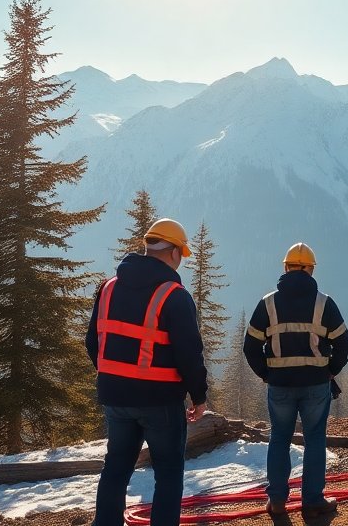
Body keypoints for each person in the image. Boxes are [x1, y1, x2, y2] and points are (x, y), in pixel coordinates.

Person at [87, 218, 209, 526]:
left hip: (115, 399)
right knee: (168, 475)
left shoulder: (108, 288)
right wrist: (199, 397)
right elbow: (189, 355)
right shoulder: (174, 295)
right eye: (181, 253)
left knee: (115, 469)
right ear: (172, 253)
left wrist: (115, 379)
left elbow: (93, 342)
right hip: (161, 402)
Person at [243, 242, 348, 519]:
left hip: (280, 385)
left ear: (286, 268)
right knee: (315, 438)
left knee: (279, 438)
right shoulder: (324, 303)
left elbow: (250, 347)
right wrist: (330, 371)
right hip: (316, 384)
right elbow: (343, 343)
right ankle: (313, 500)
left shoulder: (268, 304)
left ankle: (277, 501)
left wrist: (266, 374)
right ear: (311, 269)